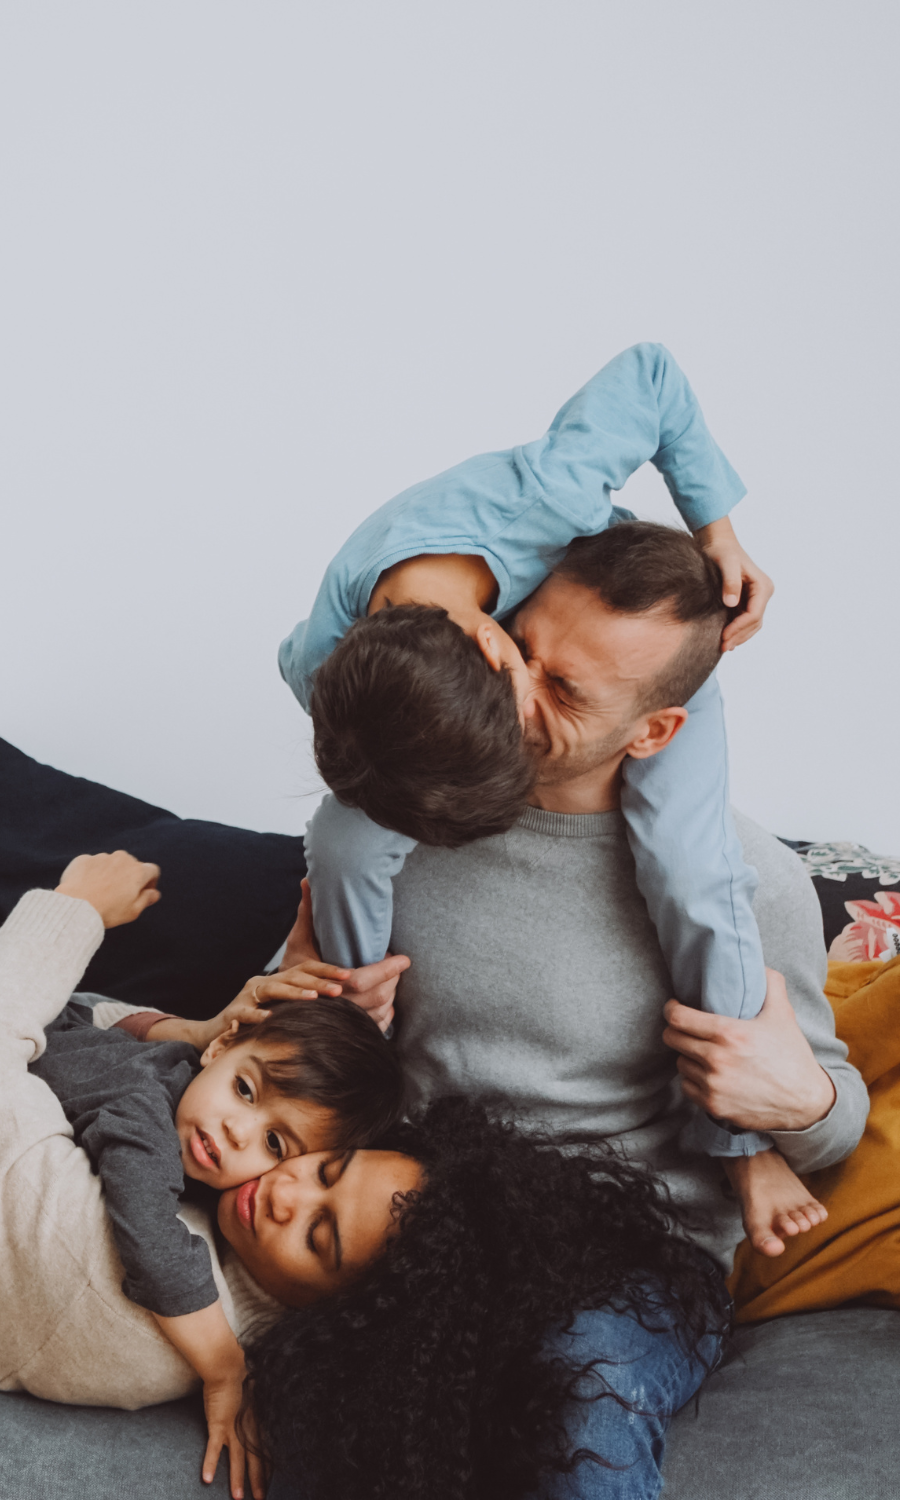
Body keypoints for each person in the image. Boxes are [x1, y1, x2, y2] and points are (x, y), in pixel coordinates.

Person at [279, 524, 869, 1498]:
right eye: (523, 651)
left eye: (566, 692)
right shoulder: (401, 814)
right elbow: (269, 1046)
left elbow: (835, 1123)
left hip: (628, 1259)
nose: (515, 694)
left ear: (655, 731)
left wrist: (797, 1100)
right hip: (417, 1225)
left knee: (575, 1387)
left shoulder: (745, 882)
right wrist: (302, 1001)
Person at [279, 344, 785, 1224]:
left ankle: (742, 1149)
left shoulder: (546, 501)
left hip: (626, 643)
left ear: (489, 644)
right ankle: (352, 1064)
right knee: (344, 840)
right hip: (519, 658)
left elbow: (652, 376)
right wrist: (338, 986)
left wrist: (719, 535)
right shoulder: (327, 668)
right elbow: (294, 661)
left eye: (530, 706)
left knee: (694, 875)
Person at [0, 851, 423, 1500]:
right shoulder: (194, 1119)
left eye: (318, 1235)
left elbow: (149, 1224)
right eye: (323, 1171)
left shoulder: (137, 1229)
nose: (286, 1191)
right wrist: (193, 1032)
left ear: (334, 1310)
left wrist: (76, 908)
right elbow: (91, 1026)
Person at [246, 1097, 733, 1500]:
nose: (283, 1191)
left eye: (327, 1172)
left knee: (583, 1383)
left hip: (641, 1249)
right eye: (316, 1235)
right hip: (445, 1231)